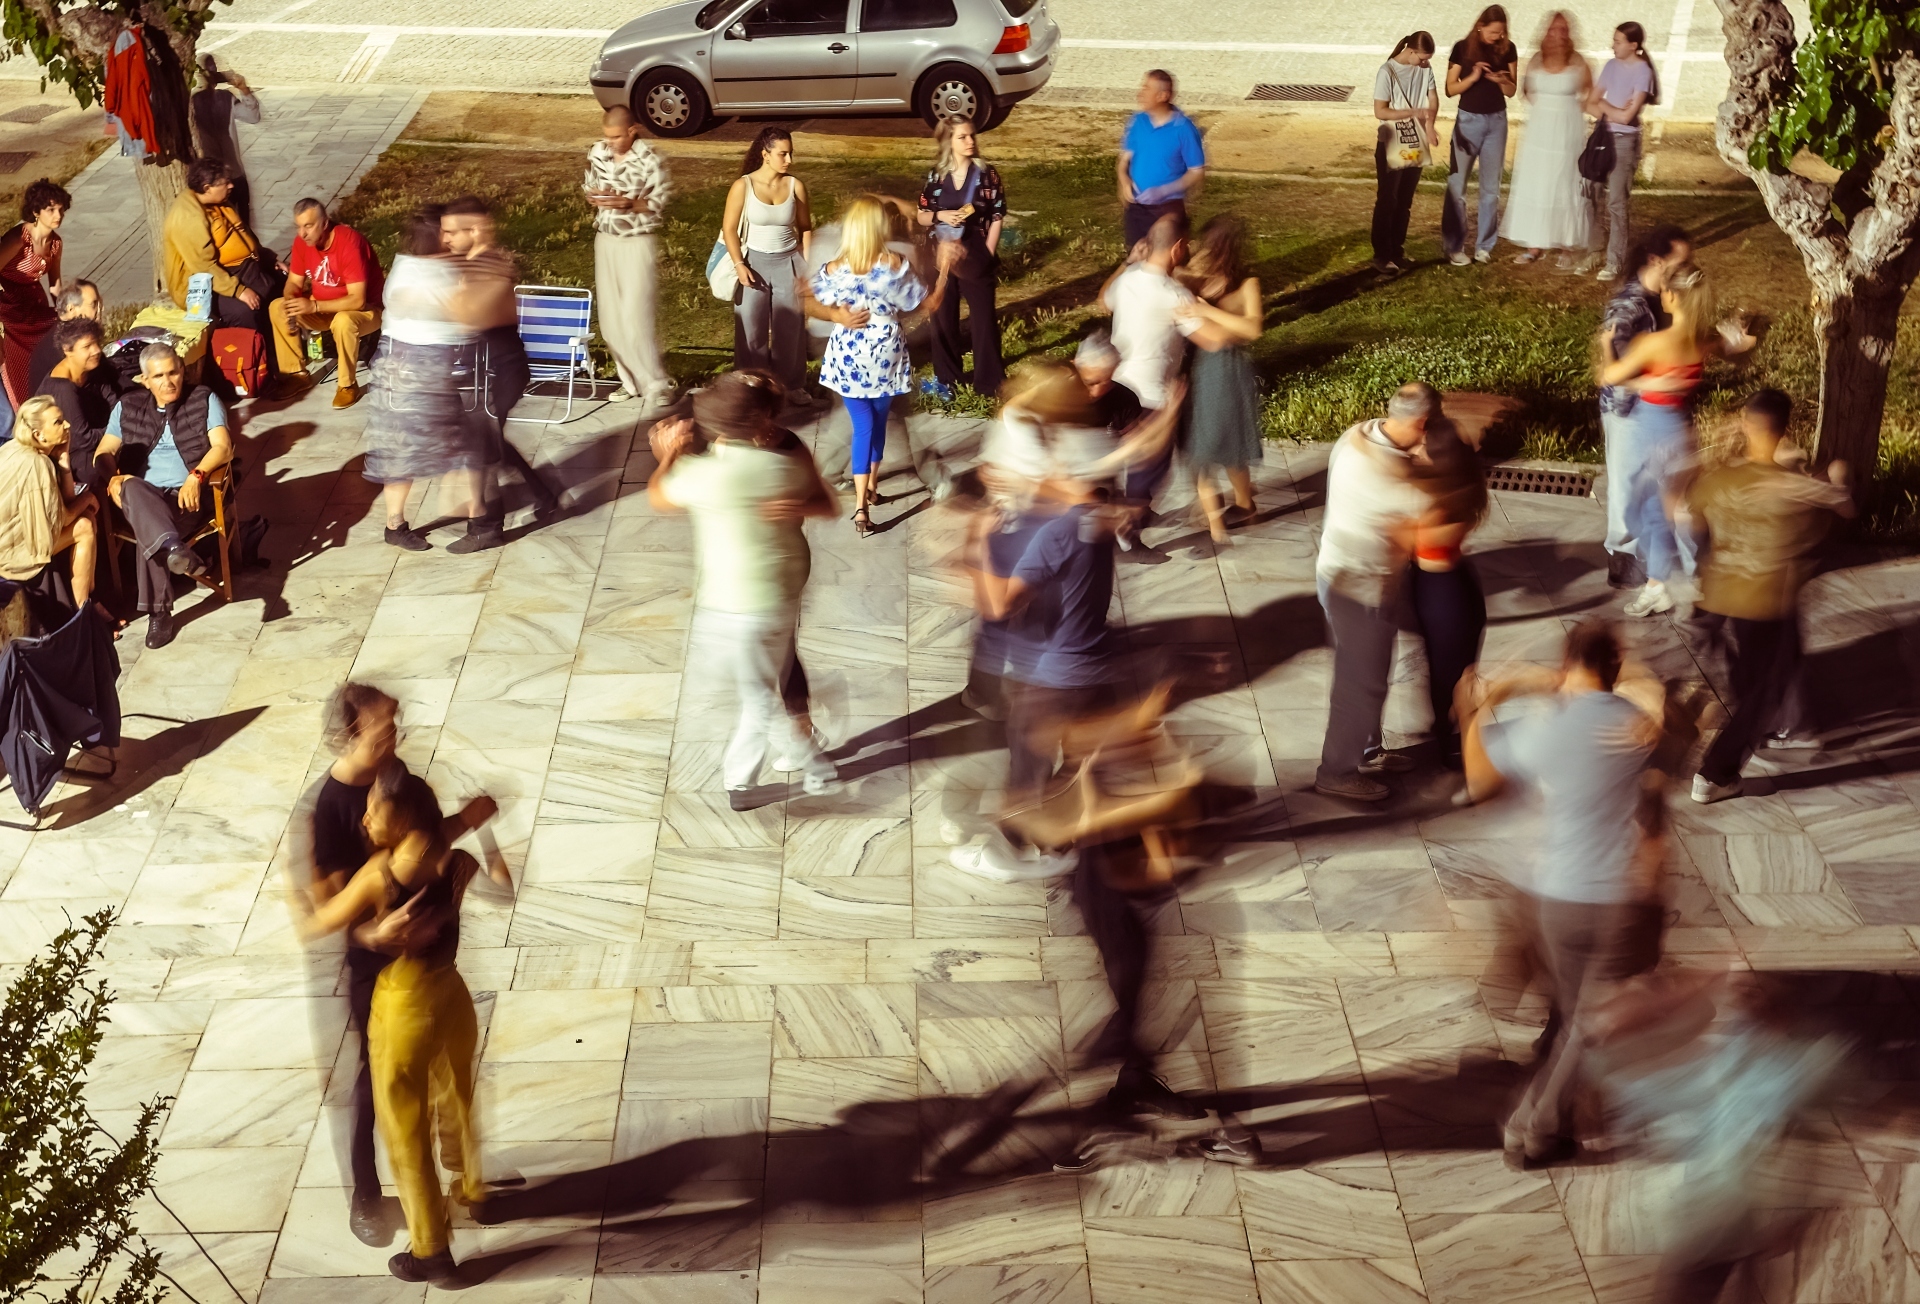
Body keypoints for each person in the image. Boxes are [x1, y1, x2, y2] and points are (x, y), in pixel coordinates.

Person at [1459, 621, 1663, 1165]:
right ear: (1615, 667)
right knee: (1586, 1022)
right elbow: (1656, 704)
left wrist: (1476, 710)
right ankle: (1538, 1119)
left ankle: (1556, 1119)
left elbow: (1480, 784)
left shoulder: (1542, 728)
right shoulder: (1637, 725)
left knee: (1576, 1018)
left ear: (1566, 663)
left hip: (1552, 896)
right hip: (1613, 894)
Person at [298, 759, 508, 1283]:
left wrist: (303, 895)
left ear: (400, 817)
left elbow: (319, 924)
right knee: (457, 1093)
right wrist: (486, 835)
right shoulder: (454, 859)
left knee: (405, 1130)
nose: (365, 820)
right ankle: (473, 1191)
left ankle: (431, 1251)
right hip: (452, 995)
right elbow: (502, 887)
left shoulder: (382, 873)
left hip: (404, 1004)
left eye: (373, 811)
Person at [647, 371, 841, 809]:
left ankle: (779, 769)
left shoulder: (711, 471)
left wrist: (669, 456)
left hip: (738, 599)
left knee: (759, 693)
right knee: (766, 683)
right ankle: (798, 755)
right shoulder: (777, 464)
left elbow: (659, 497)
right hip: (768, 595)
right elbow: (827, 501)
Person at [1686, 390, 1855, 804]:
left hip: (1718, 594)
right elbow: (1845, 506)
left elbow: (1691, 519)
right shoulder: (1792, 486)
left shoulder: (1719, 477)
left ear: (1746, 423)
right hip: (1765, 602)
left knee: (1764, 670)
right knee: (1767, 688)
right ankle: (1715, 773)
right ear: (1783, 430)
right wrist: (1838, 475)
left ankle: (1766, 731)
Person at [1598, 265, 1749, 617]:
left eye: (1665, 291)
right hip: (1680, 428)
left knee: (1648, 511)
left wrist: (1609, 347)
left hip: (1650, 431)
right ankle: (1692, 580)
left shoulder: (1655, 343)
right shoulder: (1697, 340)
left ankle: (1661, 585)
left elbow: (1609, 376)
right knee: (1674, 509)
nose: (1660, 295)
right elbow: (1733, 347)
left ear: (1674, 297)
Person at [804, 196, 960, 536]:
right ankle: (864, 500)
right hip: (885, 355)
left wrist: (836, 314)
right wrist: (945, 268)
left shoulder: (834, 268)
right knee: (873, 425)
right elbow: (928, 304)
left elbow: (810, 299)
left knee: (864, 426)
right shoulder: (894, 264)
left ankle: (866, 493)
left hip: (848, 356)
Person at [1314, 382, 1439, 801]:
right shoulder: (1393, 481)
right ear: (1422, 422)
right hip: (1359, 591)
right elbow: (1429, 542)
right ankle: (1337, 771)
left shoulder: (1357, 435)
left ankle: (1367, 751)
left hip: (1343, 575)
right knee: (1359, 685)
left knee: (1372, 674)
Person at [440, 196, 564, 551]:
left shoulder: (491, 265)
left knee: (482, 446)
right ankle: (543, 493)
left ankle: (487, 526)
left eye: (452, 233)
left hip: (500, 371)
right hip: (484, 370)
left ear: (475, 230)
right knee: (489, 441)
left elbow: (469, 316)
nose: (445, 239)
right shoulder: (470, 264)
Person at [93, 345, 233, 649]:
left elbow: (223, 447)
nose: (168, 381)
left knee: (148, 526)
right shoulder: (128, 405)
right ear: (144, 379)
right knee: (133, 489)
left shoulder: (203, 398)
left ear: (182, 370)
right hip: (140, 496)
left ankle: (159, 611)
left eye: (173, 372)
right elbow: (103, 452)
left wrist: (196, 476)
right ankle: (174, 550)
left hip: (184, 501)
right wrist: (113, 477)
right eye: (158, 376)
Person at [362, 210, 484, 552]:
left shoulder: (404, 266)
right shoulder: (439, 274)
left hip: (393, 367)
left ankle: (395, 525)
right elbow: (463, 322)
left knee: (402, 452)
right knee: (464, 448)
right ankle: (480, 521)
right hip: (421, 372)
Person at [1596, 224, 1690, 586]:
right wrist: (1652, 381)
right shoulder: (1628, 306)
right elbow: (1609, 373)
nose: (1686, 270)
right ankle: (1624, 563)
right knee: (1626, 485)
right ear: (1656, 260)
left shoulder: (1671, 297)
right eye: (1680, 262)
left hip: (1660, 410)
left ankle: (1658, 556)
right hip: (1627, 411)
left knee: (1660, 482)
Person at [163, 157, 290, 391]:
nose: (231, 186)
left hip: (235, 270)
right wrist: (239, 291)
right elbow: (203, 266)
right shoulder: (189, 218)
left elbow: (243, 237)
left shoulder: (219, 202)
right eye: (225, 183)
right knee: (245, 311)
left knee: (282, 287)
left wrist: (270, 259)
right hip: (202, 287)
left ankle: (286, 357)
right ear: (207, 188)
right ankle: (255, 369)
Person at [1174, 215, 1263, 547]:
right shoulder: (1194, 275)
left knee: (1220, 440)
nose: (1198, 248)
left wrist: (1207, 312)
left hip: (1225, 369)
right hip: (1195, 363)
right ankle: (1231, 506)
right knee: (1210, 439)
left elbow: (1253, 329)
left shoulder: (1247, 284)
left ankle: (1234, 513)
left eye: (1206, 243)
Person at [1407, 417, 1490, 769]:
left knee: (1448, 674)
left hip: (1443, 596)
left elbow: (1408, 540)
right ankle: (1452, 732)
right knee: (1458, 669)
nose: (1415, 448)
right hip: (1458, 584)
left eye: (1423, 445)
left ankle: (1451, 743)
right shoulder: (1463, 482)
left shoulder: (1439, 501)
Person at [585, 106, 675, 409]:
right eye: (607, 137)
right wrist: (594, 196)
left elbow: (658, 203)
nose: (611, 142)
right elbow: (589, 186)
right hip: (606, 239)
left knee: (635, 317)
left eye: (617, 137)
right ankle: (630, 382)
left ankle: (657, 384)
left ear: (632, 130)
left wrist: (629, 203)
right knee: (610, 321)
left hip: (637, 241)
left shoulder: (651, 159)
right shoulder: (598, 152)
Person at [917, 117, 1007, 403]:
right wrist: (940, 215)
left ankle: (989, 383)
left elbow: (997, 214)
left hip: (974, 252)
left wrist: (988, 251)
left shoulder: (986, 174)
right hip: (940, 256)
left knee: (983, 320)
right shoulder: (936, 177)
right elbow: (921, 215)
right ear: (949, 142)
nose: (970, 142)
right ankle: (948, 381)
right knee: (942, 320)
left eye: (972, 136)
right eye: (963, 137)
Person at [723, 127, 813, 397]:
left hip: (789, 263)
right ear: (765, 154)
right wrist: (740, 265)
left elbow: (806, 228)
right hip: (754, 265)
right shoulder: (743, 186)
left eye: (790, 154)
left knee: (790, 331)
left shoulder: (795, 185)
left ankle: (792, 386)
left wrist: (806, 268)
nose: (789, 160)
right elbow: (729, 229)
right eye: (783, 154)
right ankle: (752, 388)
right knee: (751, 331)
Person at [272, 198, 384, 409]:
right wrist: (290, 303)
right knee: (278, 307)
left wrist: (313, 307)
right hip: (324, 307)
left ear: (325, 223)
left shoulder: (349, 243)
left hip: (366, 311)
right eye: (298, 227)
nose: (302, 233)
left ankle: (347, 385)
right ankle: (296, 375)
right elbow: (294, 282)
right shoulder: (302, 243)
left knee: (343, 320)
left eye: (308, 226)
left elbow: (358, 300)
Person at [1500, 11, 1592, 264]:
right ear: (1546, 32)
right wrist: (1545, 111)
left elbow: (1589, 93)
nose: (1558, 34)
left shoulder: (1578, 61)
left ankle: (1566, 245)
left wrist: (1570, 115)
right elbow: (1527, 90)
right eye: (1554, 29)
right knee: (1538, 182)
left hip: (1566, 132)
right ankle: (1535, 244)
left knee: (1565, 182)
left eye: (1564, 30)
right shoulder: (1536, 60)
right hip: (1540, 133)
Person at [0, 396, 98, 610]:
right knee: (84, 526)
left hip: (11, 541)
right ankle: (85, 610)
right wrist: (88, 498)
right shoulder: (37, 464)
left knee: (85, 517)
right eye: (58, 422)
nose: (67, 425)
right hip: (10, 555)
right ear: (38, 435)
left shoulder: (13, 447)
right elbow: (62, 520)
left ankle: (90, 601)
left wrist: (63, 462)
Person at [1100, 211, 1197, 416]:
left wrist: (1128, 261)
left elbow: (1103, 300)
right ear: (1177, 248)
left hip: (1117, 387)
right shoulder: (1176, 294)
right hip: (1152, 400)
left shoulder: (1126, 279)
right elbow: (1213, 340)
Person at [1443, 5, 1517, 266]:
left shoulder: (1508, 48)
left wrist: (1500, 80)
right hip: (1468, 120)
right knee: (1457, 186)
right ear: (1480, 26)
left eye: (1501, 32)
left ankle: (1485, 246)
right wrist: (1473, 76)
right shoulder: (1462, 48)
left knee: (1491, 189)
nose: (1497, 37)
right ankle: (1454, 246)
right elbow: (1450, 89)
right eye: (1493, 32)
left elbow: (1511, 90)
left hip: (1497, 121)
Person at [1588, 22, 1660, 280]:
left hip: (1625, 142)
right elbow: (1590, 102)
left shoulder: (1643, 72)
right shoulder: (1610, 66)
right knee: (1589, 193)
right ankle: (1594, 249)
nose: (1613, 45)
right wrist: (1613, 112)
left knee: (1616, 202)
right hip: (1603, 136)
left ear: (1633, 45)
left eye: (1618, 41)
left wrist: (1606, 106)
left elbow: (1627, 115)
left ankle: (1614, 260)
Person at [1371, 32, 1439, 274]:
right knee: (1388, 198)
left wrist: (1430, 125)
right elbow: (1381, 111)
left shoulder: (1425, 67)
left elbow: (1433, 98)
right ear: (1410, 51)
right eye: (1421, 58)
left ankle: (1397, 251)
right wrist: (1411, 113)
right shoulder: (1387, 71)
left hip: (1414, 143)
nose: (1424, 63)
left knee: (1405, 200)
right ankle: (1382, 254)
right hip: (1392, 142)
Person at [1116, 70, 1206, 250]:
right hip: (1137, 207)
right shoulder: (1137, 121)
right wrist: (1125, 182)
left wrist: (1164, 190)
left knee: (1168, 259)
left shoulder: (1184, 129)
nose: (1140, 93)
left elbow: (1196, 171)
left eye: (1146, 88)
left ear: (1163, 95)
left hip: (1167, 210)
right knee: (1136, 257)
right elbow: (1124, 161)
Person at [0, 179, 69, 409]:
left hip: (34, 301)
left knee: (59, 329)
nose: (57, 214)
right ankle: (22, 405)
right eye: (51, 209)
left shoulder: (56, 244)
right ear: (35, 211)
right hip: (9, 304)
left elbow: (55, 284)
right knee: (20, 362)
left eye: (60, 209)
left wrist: (64, 311)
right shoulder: (19, 238)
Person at [35, 317, 119, 485]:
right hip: (69, 454)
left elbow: (114, 403)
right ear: (68, 350)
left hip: (98, 436)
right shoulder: (63, 389)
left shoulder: (91, 369)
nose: (96, 350)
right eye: (87, 346)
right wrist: (116, 430)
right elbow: (83, 439)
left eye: (96, 343)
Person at [190, 55, 261, 227]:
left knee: (244, 228)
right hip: (212, 184)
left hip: (234, 176)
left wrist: (244, 90)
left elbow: (252, 116)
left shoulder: (224, 98)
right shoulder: (190, 104)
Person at [26, 279, 101, 398]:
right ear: (71, 309)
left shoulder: (66, 333)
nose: (99, 310)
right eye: (94, 304)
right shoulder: (63, 343)